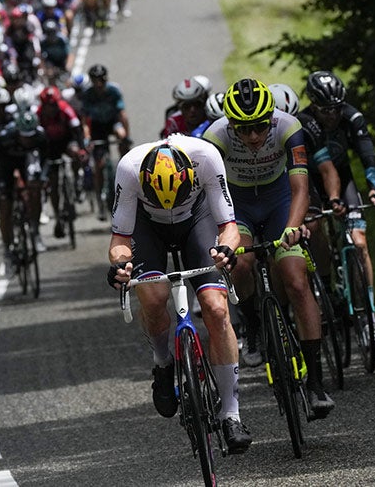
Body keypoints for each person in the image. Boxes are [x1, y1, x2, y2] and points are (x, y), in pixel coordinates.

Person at [106, 135, 252, 454]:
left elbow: (229, 225)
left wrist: (227, 249)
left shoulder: (206, 157)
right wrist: (120, 266)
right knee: (154, 298)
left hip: (196, 220)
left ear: (189, 176)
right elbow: (119, 239)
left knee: (216, 308)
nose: (168, 203)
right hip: (148, 228)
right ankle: (163, 362)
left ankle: (231, 414)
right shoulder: (130, 169)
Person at [202, 78, 335, 419]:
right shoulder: (214, 138)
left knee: (296, 280)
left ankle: (316, 383)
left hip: (280, 202)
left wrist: (292, 227)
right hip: (239, 207)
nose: (253, 137)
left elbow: (301, 187)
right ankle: (254, 327)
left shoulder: (289, 127)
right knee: (241, 265)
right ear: (231, 125)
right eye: (243, 130)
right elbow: (208, 197)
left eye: (260, 127)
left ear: (271, 119)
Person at [299, 70, 375, 345]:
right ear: (314, 105)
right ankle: (326, 289)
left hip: (344, 177)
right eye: (326, 110)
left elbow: (367, 156)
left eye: (336, 108)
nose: (332, 116)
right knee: (315, 230)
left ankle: (370, 318)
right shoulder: (304, 123)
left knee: (360, 243)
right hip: (313, 182)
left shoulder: (352, 118)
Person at [0, 87, 48, 258]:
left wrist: (42, 178)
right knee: (5, 205)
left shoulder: (40, 137)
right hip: (5, 163)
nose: (27, 140)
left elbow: (45, 161)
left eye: (30, 137)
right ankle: (7, 247)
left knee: (35, 190)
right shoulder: (4, 138)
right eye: (24, 136)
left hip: (25, 161)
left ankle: (35, 231)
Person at [80, 64, 131, 220]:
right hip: (97, 126)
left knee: (121, 135)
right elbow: (84, 121)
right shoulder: (88, 94)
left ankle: (126, 166)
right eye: (95, 81)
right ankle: (100, 202)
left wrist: (126, 137)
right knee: (99, 164)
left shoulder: (114, 91)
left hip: (112, 122)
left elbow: (123, 116)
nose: (98, 84)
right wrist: (87, 138)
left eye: (100, 80)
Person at [36, 86, 87, 239]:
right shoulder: (38, 114)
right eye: (48, 106)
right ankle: (58, 215)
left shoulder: (65, 109)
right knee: (53, 182)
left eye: (53, 105)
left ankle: (77, 176)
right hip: (49, 146)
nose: (51, 109)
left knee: (75, 152)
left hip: (66, 140)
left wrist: (82, 149)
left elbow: (77, 129)